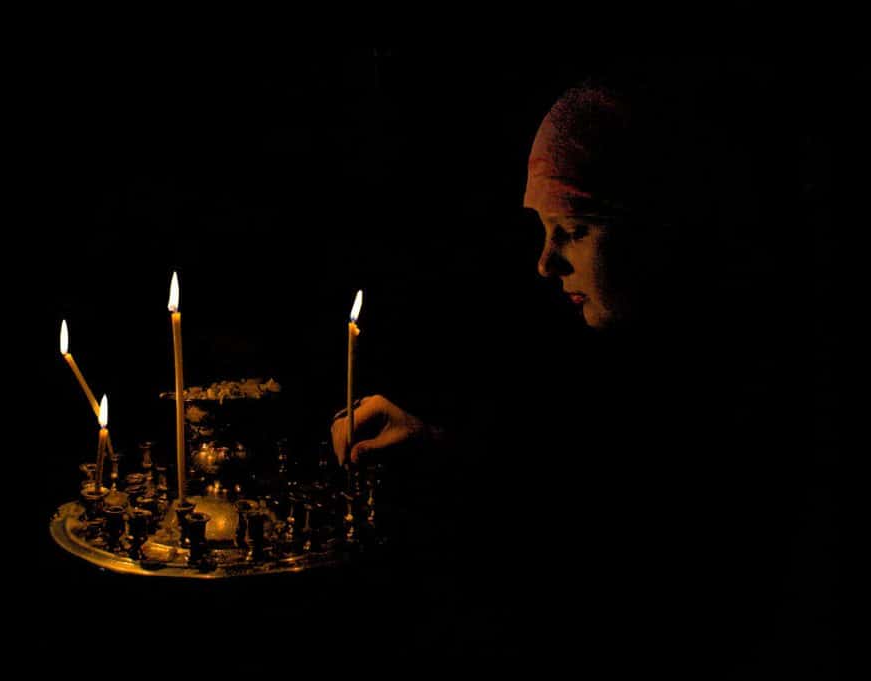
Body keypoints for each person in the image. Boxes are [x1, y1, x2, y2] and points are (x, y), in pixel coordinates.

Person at [330, 70, 823, 674]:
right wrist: (437, 446)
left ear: (656, 226)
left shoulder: (752, 394)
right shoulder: (626, 370)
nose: (545, 263)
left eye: (575, 231)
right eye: (543, 231)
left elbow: (612, 536)